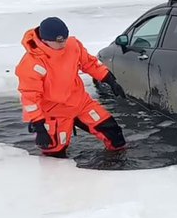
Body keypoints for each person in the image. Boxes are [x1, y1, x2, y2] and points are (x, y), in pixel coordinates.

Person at [15, 17, 128, 157]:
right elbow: (30, 98)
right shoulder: (31, 64)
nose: (63, 44)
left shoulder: (73, 46)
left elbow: (90, 64)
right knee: (55, 154)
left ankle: (117, 166)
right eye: (58, 41)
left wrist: (110, 81)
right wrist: (39, 127)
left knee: (114, 135)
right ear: (44, 40)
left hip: (80, 103)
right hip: (54, 112)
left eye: (64, 39)